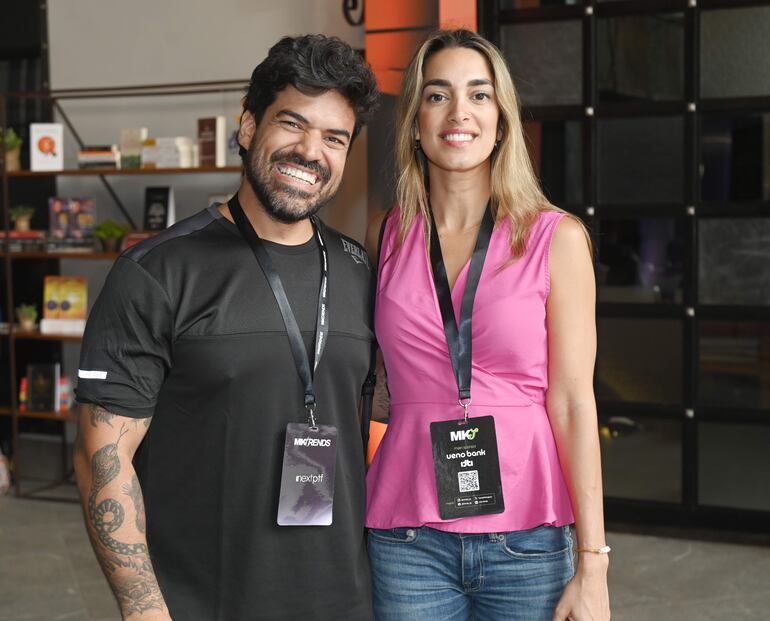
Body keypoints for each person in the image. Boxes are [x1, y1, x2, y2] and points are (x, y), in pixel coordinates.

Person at [73, 34, 379, 621]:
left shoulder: (359, 269)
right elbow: (100, 455)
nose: (310, 151)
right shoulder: (158, 271)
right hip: (202, 602)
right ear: (248, 126)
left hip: (344, 601)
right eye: (292, 123)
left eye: (334, 138)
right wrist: (144, 609)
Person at [365, 30, 610, 621]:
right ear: (415, 122)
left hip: (528, 539)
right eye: (438, 95)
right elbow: (374, 384)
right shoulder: (385, 234)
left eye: (479, 95)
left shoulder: (557, 239)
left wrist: (593, 562)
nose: (459, 113)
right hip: (406, 539)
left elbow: (574, 403)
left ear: (501, 121)